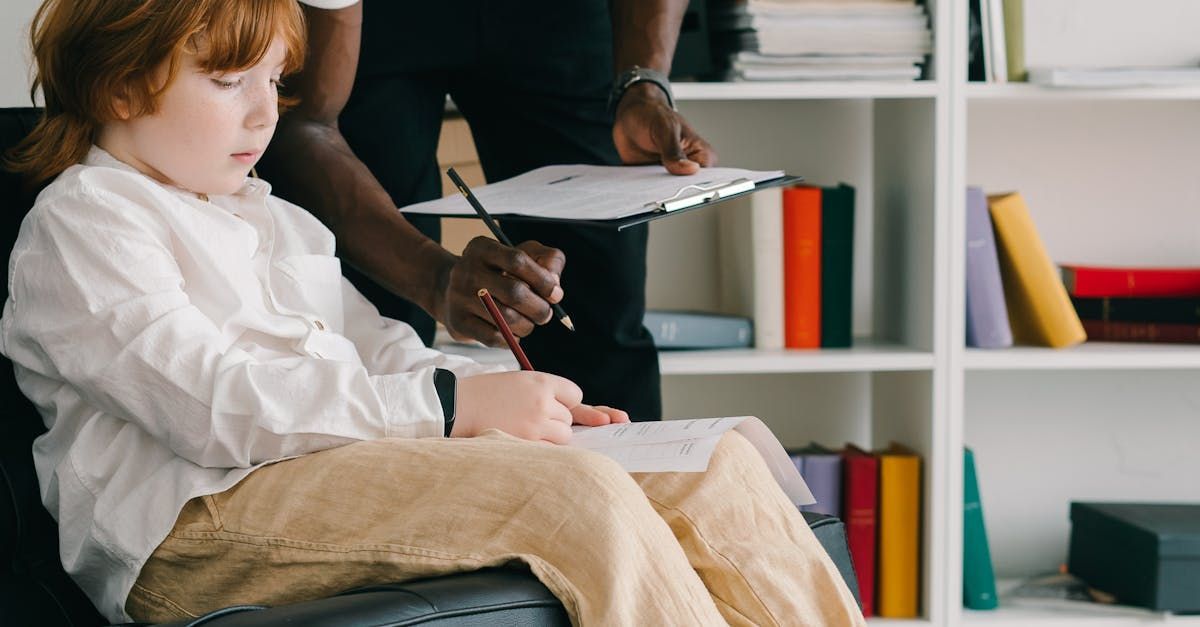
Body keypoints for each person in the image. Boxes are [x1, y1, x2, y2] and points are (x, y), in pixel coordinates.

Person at [1, 0, 865, 625]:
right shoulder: (88, 219)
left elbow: (382, 351)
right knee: (579, 499)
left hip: (331, 473)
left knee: (713, 463)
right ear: (120, 85)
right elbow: (210, 403)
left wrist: (515, 404)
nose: (267, 112)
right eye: (230, 81)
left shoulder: (275, 215)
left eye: (274, 79)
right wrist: (451, 411)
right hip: (192, 528)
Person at [258, 0, 719, 422]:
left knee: (598, 307)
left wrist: (642, 82)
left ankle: (629, 498)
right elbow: (306, 126)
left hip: (559, 21)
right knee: (378, 315)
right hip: (381, 21)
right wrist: (437, 280)